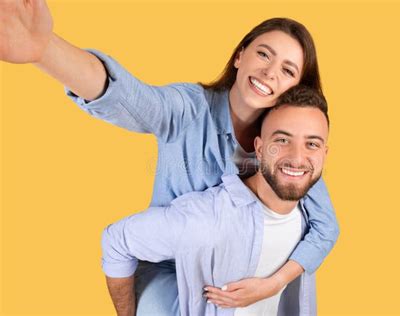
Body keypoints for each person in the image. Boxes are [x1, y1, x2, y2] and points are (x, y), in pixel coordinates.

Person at [0, 1, 339, 313]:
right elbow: (131, 99)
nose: (270, 73)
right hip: (171, 272)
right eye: (264, 54)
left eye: (287, 70)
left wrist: (272, 285)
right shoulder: (189, 109)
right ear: (240, 55)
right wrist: (45, 50)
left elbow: (325, 227)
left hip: (242, 275)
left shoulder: (287, 149)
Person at [102, 85, 331, 315]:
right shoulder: (206, 218)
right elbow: (116, 240)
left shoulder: (307, 217)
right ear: (259, 149)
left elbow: (328, 232)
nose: (297, 157)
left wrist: (274, 283)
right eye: (282, 140)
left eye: (312, 144)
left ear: (324, 154)